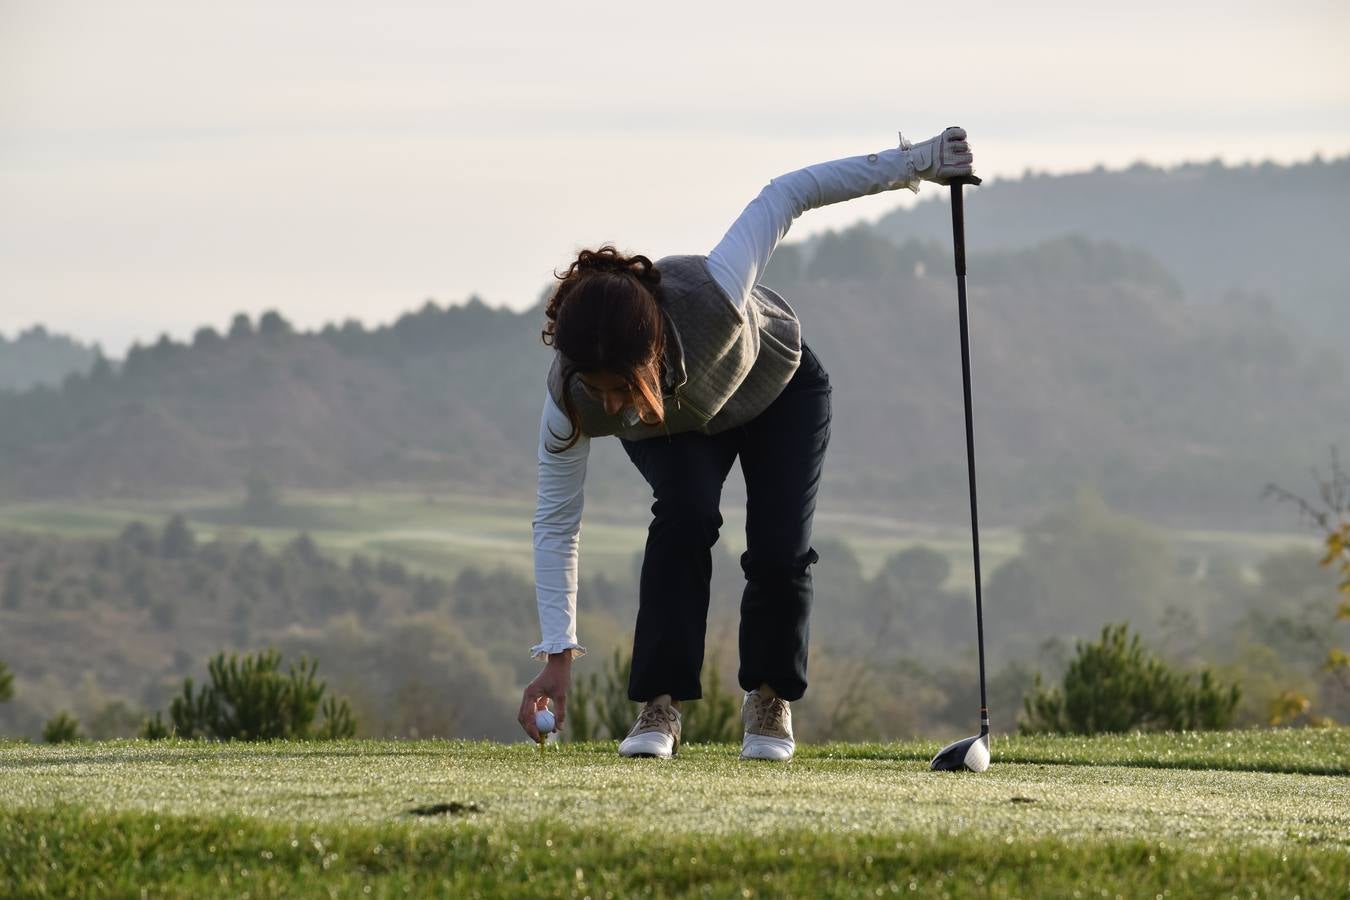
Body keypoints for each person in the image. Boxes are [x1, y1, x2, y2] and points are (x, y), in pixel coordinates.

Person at [517, 127, 976, 760]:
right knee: (684, 518)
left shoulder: (718, 292)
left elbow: (785, 194)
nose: (611, 406)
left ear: (649, 354)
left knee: (779, 545)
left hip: (778, 385)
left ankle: (768, 698)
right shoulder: (571, 403)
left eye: (622, 387)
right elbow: (556, 526)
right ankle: (659, 707)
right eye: (601, 392)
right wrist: (557, 656)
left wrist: (919, 163)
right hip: (680, 421)